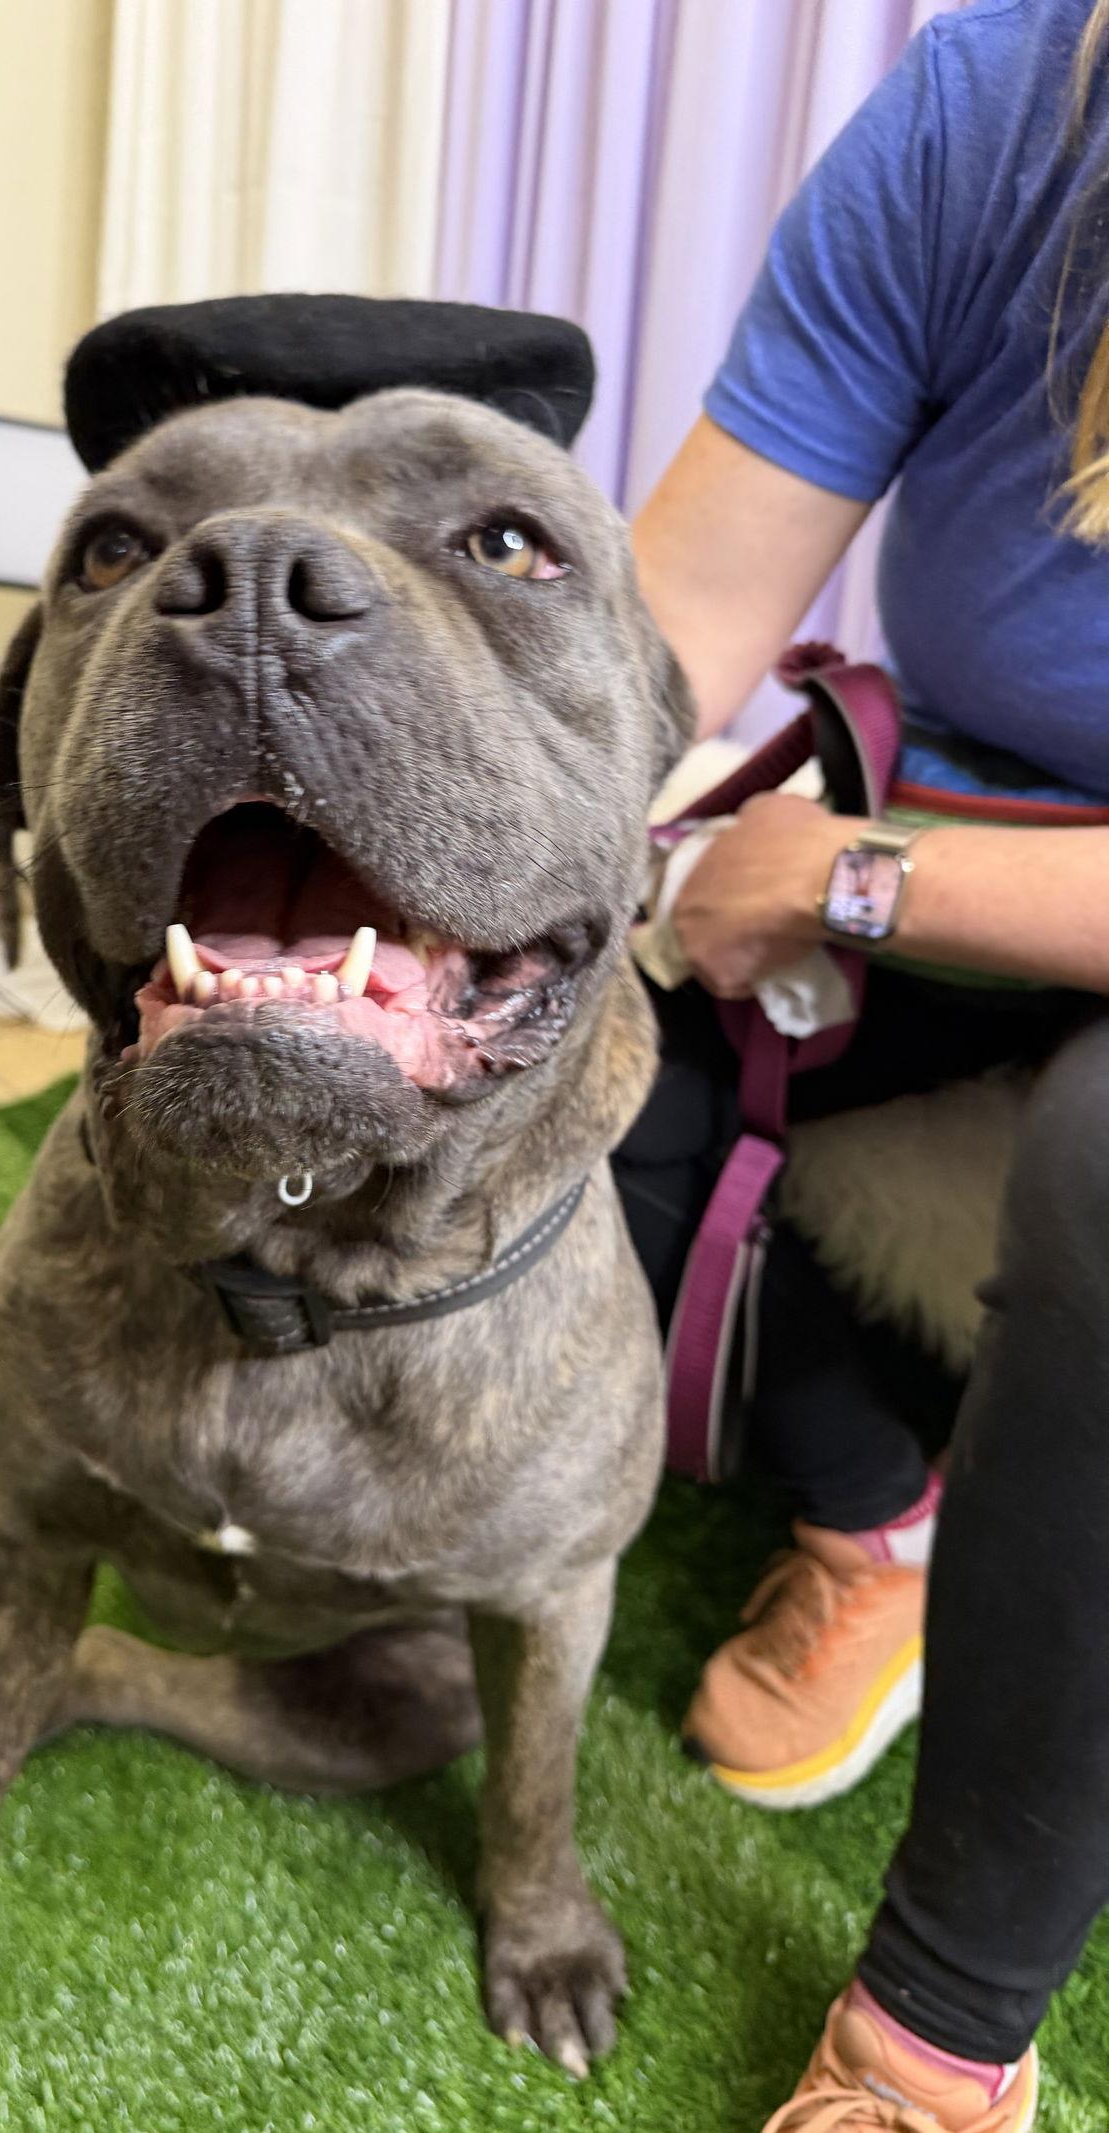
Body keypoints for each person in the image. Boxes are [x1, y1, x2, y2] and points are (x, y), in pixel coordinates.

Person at [617, 1, 1109, 2126]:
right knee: (579, 1045)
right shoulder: (1000, 102)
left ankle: (934, 2035)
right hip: (978, 816)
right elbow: (673, 618)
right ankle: (874, 1508)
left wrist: (850, 881)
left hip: (948, 876)